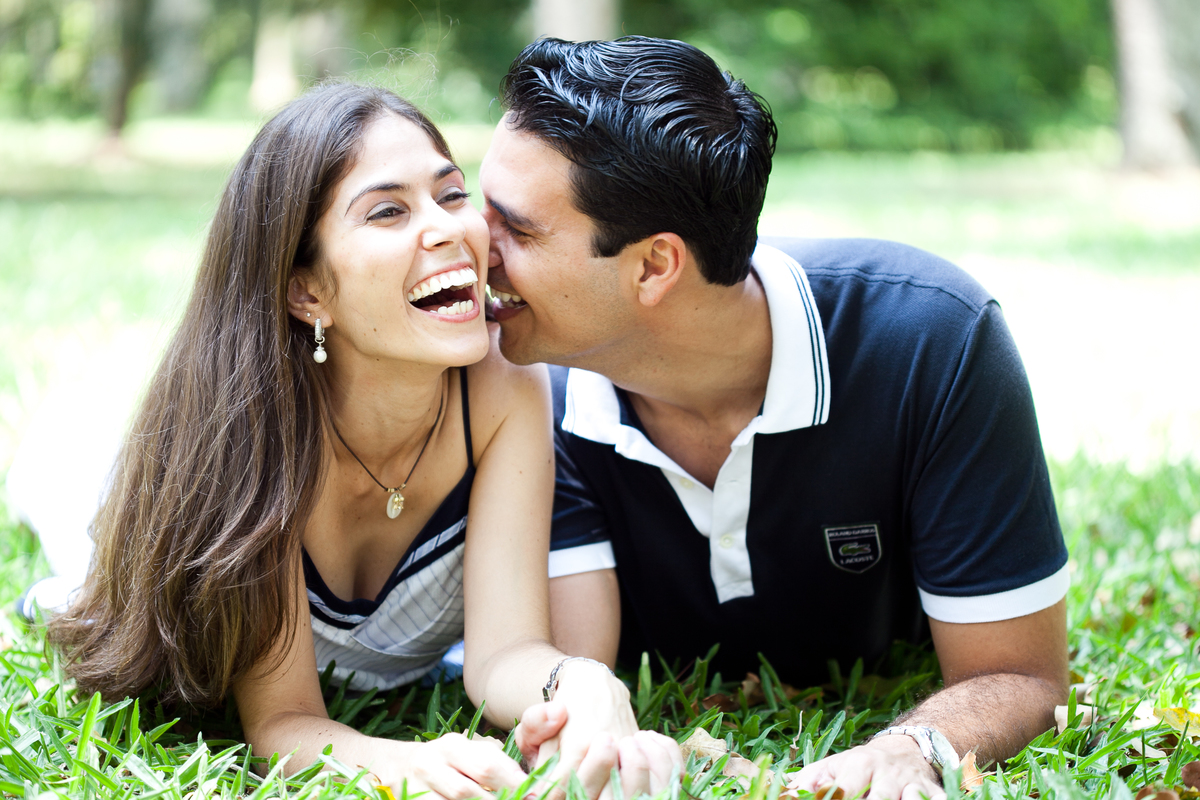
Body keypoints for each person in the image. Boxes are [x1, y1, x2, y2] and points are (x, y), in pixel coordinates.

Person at [46, 82, 680, 800]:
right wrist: (399, 762)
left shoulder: (504, 389)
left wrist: (582, 682)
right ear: (306, 291)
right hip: (121, 504)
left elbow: (501, 653)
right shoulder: (258, 429)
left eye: (450, 195)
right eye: (388, 211)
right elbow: (281, 723)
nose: (446, 230)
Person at [478, 37, 1069, 800]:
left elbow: (1020, 673)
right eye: (479, 207)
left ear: (655, 265)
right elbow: (564, 673)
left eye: (516, 231)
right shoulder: (532, 394)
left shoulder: (934, 342)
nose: (472, 250)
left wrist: (912, 747)